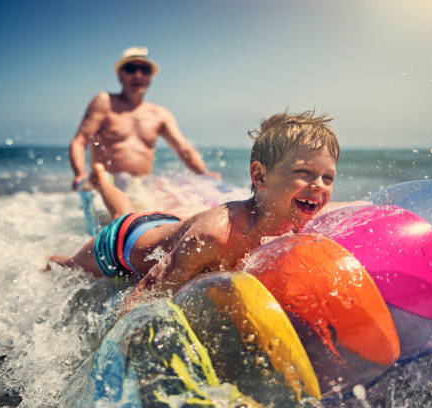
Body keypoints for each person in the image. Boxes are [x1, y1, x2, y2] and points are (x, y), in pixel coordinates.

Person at [49, 110, 341, 316]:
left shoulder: (299, 223)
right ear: (260, 177)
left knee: (125, 208)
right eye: (304, 173)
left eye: (328, 177)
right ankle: (97, 183)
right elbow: (147, 291)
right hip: (123, 242)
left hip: (168, 227)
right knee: (73, 266)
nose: (318, 186)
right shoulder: (214, 236)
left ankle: (103, 182)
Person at [69, 46, 218, 191]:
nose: (138, 75)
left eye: (144, 70)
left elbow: (184, 150)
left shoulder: (160, 114)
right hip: (106, 186)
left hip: (142, 188)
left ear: (150, 78)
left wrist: (204, 174)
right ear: (120, 75)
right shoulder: (104, 102)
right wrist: (80, 174)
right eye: (131, 69)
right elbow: (80, 141)